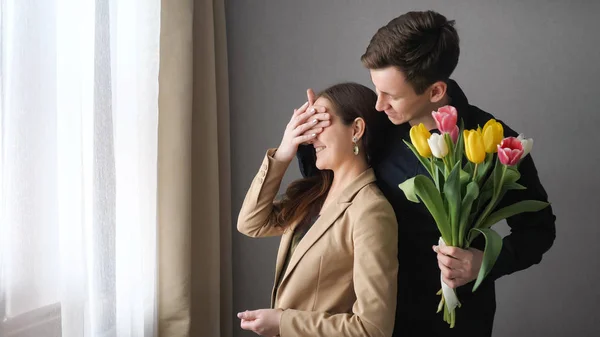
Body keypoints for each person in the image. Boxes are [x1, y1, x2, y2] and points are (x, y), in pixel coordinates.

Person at [296, 10, 556, 337]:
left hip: (457, 322)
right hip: (366, 316)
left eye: (391, 95)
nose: (378, 105)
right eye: (377, 89)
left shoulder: (495, 141)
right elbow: (331, 187)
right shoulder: (376, 127)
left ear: (435, 91)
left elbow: (540, 230)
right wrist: (310, 135)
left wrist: (485, 262)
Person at [236, 82, 399, 337]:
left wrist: (283, 323)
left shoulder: (370, 211)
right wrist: (283, 153)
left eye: (320, 123)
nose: (311, 136)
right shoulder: (314, 196)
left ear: (356, 129)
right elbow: (251, 223)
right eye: (309, 125)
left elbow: (373, 329)